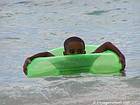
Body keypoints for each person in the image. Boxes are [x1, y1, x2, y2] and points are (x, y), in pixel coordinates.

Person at [23, 36, 125, 75]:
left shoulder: (89, 59)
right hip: (65, 84)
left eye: (79, 51)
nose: (76, 54)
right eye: (72, 52)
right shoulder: (60, 62)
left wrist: (121, 56)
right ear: (64, 53)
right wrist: (29, 59)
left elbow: (107, 44)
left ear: (84, 53)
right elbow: (45, 54)